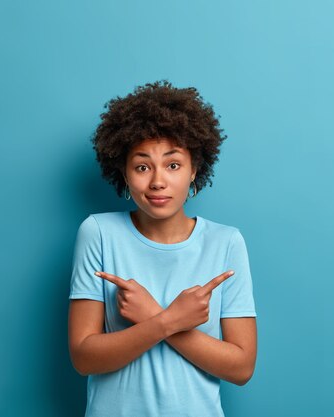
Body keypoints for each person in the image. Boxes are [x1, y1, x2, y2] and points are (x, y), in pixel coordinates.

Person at [68, 80, 257, 417]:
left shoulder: (226, 243)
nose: (157, 181)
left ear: (194, 171)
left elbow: (241, 368)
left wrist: (154, 317)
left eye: (173, 165)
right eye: (142, 166)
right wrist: (167, 321)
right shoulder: (98, 233)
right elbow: (83, 358)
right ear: (124, 173)